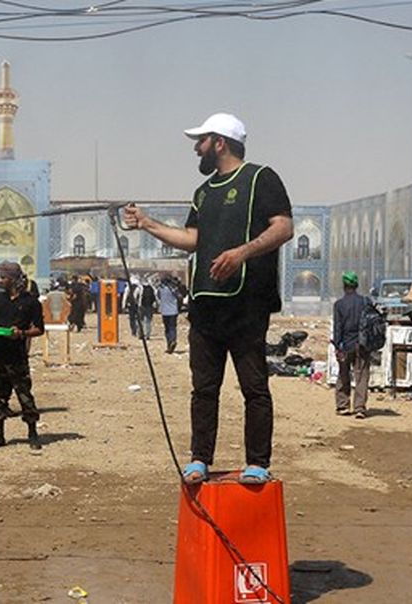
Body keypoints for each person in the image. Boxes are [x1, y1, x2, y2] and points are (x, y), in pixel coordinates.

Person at [123, 112, 293, 485]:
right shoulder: (203, 193)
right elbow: (192, 239)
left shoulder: (260, 179)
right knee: (204, 389)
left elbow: (283, 227)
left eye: (200, 142)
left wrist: (241, 253)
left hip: (246, 304)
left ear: (219, 142)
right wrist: (148, 223)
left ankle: (258, 462)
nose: (195, 149)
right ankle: (200, 458)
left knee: (254, 387)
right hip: (205, 305)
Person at [0, 262, 45, 450]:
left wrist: (21, 334)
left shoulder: (30, 302)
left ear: (14, 279)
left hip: (17, 358)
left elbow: (39, 329)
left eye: (4, 277)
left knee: (25, 397)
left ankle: (32, 434)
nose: (0, 280)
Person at [332, 271, 370, 419]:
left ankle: (343, 406)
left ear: (344, 286)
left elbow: (338, 327)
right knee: (361, 376)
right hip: (362, 345)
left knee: (343, 375)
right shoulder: (365, 302)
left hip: (345, 345)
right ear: (356, 285)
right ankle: (359, 407)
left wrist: (337, 346)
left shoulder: (339, 304)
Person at [157, 277, 181, 353]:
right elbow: (180, 297)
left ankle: (169, 344)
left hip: (164, 311)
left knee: (167, 328)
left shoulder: (160, 289)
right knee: (172, 327)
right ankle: (173, 340)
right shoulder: (173, 288)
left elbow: (158, 297)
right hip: (173, 311)